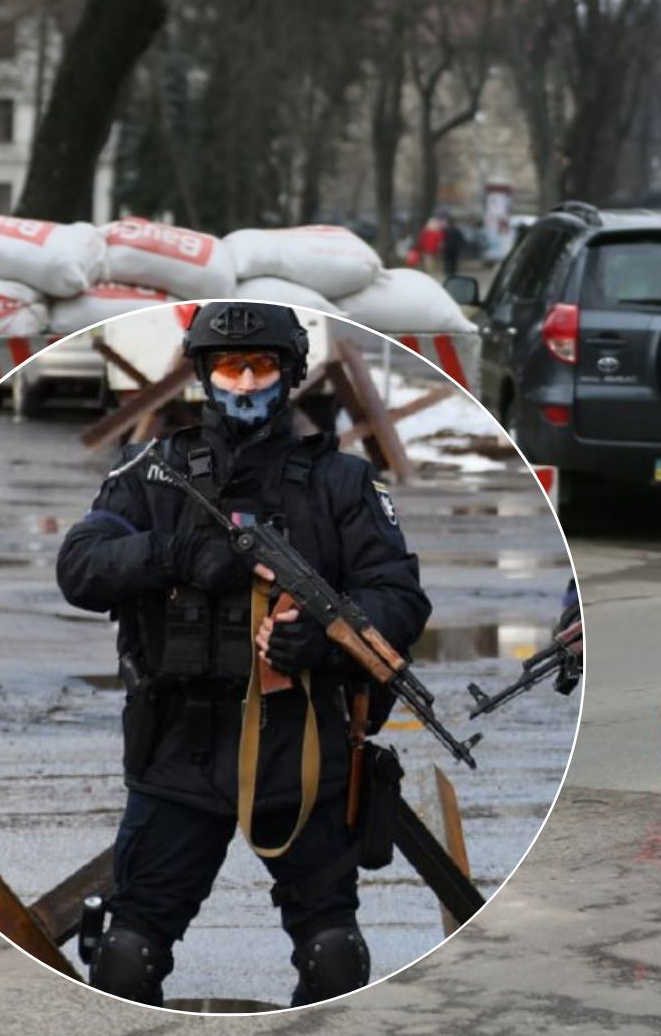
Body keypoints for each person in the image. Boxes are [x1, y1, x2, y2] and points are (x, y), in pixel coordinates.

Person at [56, 301, 431, 1008]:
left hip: (304, 745)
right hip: (178, 745)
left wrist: (322, 642)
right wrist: (176, 554)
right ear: (203, 374)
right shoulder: (155, 472)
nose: (247, 381)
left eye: (263, 365)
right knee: (129, 951)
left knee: (333, 954)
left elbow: (399, 599)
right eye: (230, 366)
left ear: (290, 374)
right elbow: (80, 567)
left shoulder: (341, 483)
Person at [440, 214, 464, 278]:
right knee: (454, 260)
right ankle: (453, 271)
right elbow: (461, 239)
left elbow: (442, 238)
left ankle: (447, 270)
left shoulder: (445, 230)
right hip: (455, 247)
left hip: (447, 247)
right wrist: (461, 245)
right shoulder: (457, 230)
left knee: (447, 260)